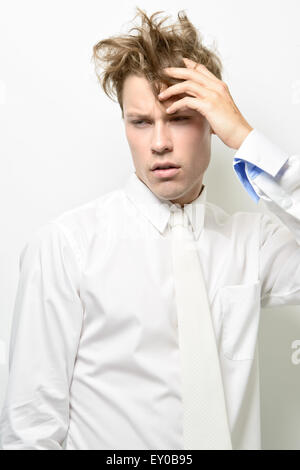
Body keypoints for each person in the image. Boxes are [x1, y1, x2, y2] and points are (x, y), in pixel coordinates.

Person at [0, 7, 299, 450]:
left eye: (179, 118)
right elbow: (31, 424)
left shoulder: (255, 244)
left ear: (212, 124)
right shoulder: (67, 247)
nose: (159, 142)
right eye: (140, 122)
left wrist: (246, 138)